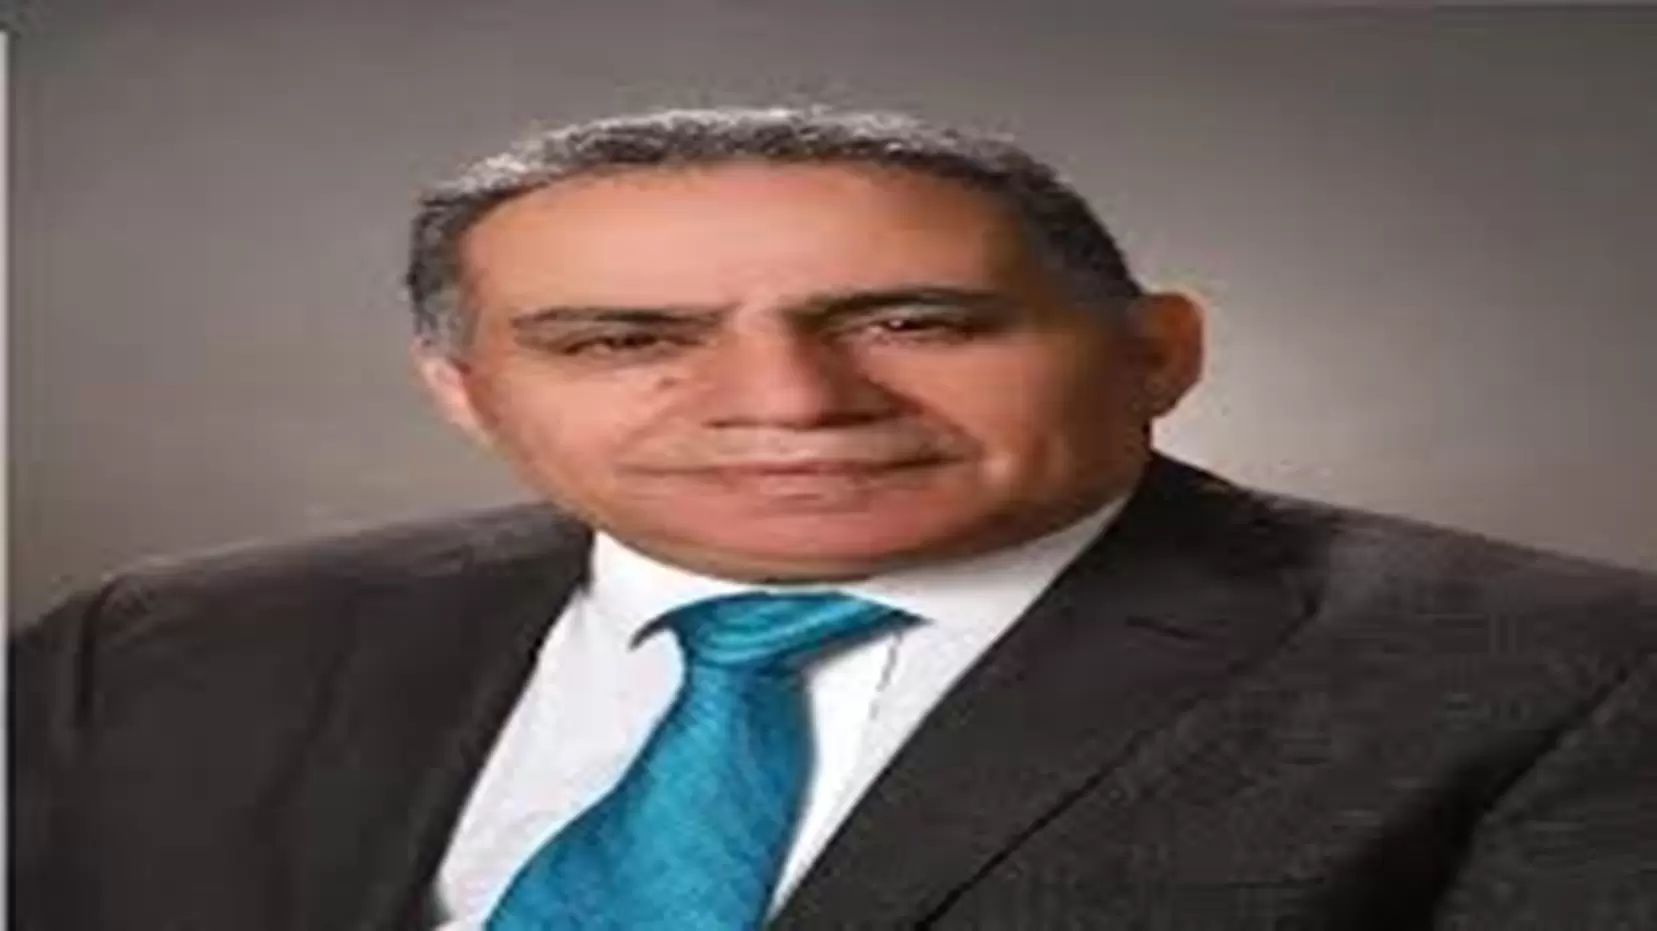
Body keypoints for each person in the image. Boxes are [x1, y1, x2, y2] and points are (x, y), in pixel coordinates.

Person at [10, 106, 1656, 931]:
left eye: (917, 321)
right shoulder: (164, 642)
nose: (790, 402)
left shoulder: (1576, 675)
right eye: (623, 340)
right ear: (463, 388)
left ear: (1157, 352)